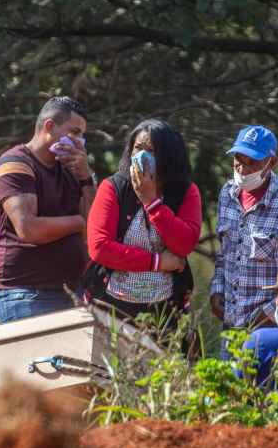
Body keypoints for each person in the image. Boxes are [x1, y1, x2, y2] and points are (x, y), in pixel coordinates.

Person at [209, 125, 278, 344]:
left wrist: (271, 311)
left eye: (253, 163)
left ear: (271, 163)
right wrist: (217, 290)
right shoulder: (227, 195)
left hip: (273, 332)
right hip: (231, 329)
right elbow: (225, 255)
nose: (243, 169)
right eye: (239, 160)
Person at [0, 96, 96, 323]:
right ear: (49, 126)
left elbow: (95, 226)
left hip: (73, 293)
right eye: (74, 132)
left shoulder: (70, 169)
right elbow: (28, 228)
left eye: (82, 135)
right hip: (28, 294)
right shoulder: (15, 164)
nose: (79, 141)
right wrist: (78, 223)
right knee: (38, 360)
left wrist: (86, 177)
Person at [85, 119, 201, 327]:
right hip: (111, 305)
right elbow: (100, 248)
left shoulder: (186, 192)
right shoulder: (113, 187)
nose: (142, 156)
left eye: (151, 150)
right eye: (138, 148)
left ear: (169, 157)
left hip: (164, 309)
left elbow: (185, 244)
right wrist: (157, 262)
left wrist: (152, 202)